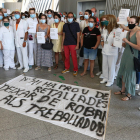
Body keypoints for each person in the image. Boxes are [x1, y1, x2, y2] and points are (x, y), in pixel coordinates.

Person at [115, 16, 140, 101]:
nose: (130, 24)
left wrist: (127, 42)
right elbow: (125, 27)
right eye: (129, 22)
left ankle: (129, 94)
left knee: (130, 75)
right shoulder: (129, 31)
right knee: (122, 72)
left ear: (137, 24)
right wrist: (123, 44)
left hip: (132, 56)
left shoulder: (138, 32)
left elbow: (139, 47)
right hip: (126, 54)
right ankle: (122, 90)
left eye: (132, 22)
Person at [100, 15, 119, 87]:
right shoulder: (105, 28)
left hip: (112, 51)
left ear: (111, 20)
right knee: (104, 65)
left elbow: (118, 41)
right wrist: (102, 43)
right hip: (105, 50)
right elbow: (103, 37)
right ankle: (105, 78)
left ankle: (110, 80)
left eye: (107, 20)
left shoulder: (117, 30)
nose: (105, 21)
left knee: (111, 66)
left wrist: (116, 43)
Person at [62, 12, 80, 77]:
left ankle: (75, 69)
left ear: (73, 17)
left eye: (71, 17)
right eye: (68, 17)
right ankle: (67, 68)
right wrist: (62, 45)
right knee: (66, 57)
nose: (70, 18)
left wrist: (77, 44)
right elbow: (63, 35)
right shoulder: (65, 25)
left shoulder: (76, 24)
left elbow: (78, 35)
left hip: (73, 43)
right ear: (66, 18)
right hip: (66, 43)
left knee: (74, 57)